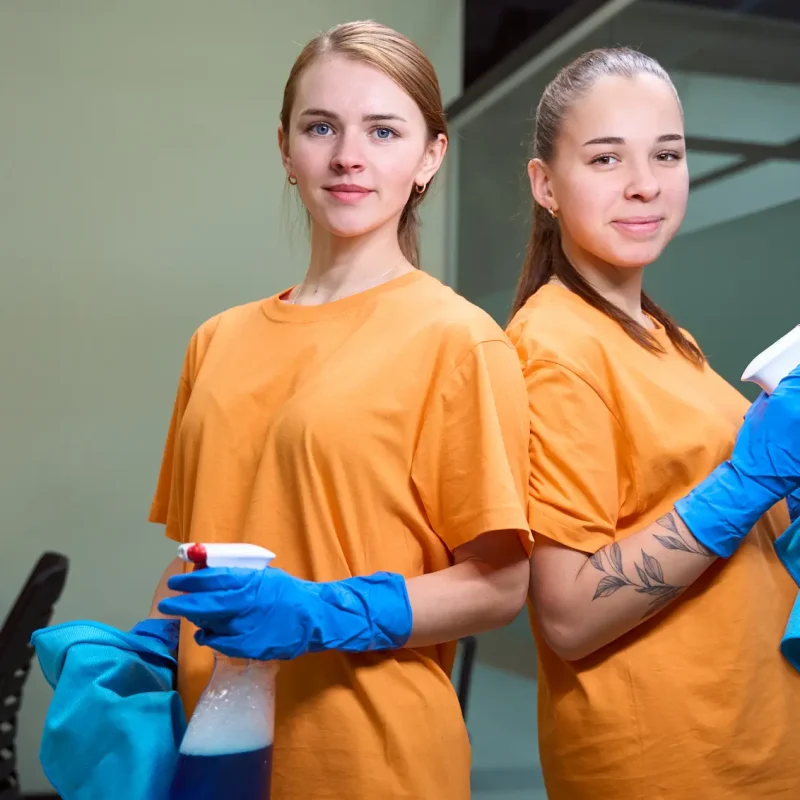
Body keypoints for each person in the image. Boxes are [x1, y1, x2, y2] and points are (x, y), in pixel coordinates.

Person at [148, 21, 533, 800]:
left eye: (383, 130)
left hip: (372, 761)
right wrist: (148, 651)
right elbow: (198, 550)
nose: (348, 156)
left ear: (430, 155)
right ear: (287, 150)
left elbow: (498, 584)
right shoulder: (216, 341)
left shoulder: (458, 340)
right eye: (321, 127)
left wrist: (327, 612)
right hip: (213, 751)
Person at [505, 47, 800, 799]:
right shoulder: (555, 348)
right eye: (605, 159)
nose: (645, 184)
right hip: (668, 766)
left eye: (666, 154)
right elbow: (568, 612)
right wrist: (747, 479)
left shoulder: (663, 334)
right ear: (545, 185)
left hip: (751, 746)